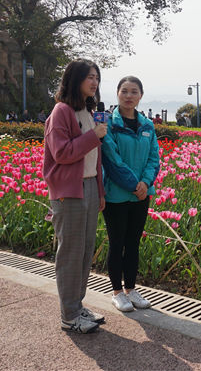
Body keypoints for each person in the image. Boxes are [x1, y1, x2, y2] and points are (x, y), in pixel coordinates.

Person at [42, 59, 107, 334]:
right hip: (69, 192)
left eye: (97, 78)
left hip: (89, 187)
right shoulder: (62, 111)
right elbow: (62, 153)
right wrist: (94, 136)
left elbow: (93, 158)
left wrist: (100, 192)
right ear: (75, 79)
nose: (94, 82)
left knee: (84, 251)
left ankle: (77, 305)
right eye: (89, 77)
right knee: (70, 253)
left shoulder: (88, 112)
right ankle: (69, 315)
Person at [101, 76, 159, 313]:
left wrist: (145, 183)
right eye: (124, 91)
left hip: (141, 196)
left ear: (141, 96)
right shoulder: (109, 125)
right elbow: (112, 159)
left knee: (134, 243)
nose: (128, 96)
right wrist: (135, 184)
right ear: (117, 94)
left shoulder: (147, 125)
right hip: (117, 194)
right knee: (117, 243)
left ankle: (131, 289)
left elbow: (154, 158)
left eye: (134, 92)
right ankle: (116, 292)